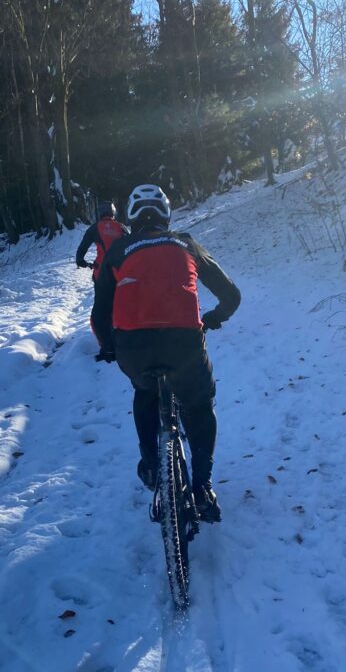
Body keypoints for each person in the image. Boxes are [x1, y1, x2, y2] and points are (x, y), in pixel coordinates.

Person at [91, 183, 240, 522]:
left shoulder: (119, 249)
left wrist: (109, 347)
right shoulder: (186, 243)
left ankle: (152, 465)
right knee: (199, 406)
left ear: (131, 217)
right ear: (167, 215)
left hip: (134, 347)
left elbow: (99, 313)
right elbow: (231, 296)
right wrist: (212, 319)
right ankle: (202, 488)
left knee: (144, 391)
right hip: (184, 343)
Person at [75, 200, 128, 282]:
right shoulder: (121, 227)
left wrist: (80, 260)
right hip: (121, 272)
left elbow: (83, 247)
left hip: (101, 273)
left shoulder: (94, 228)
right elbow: (132, 243)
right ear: (113, 212)